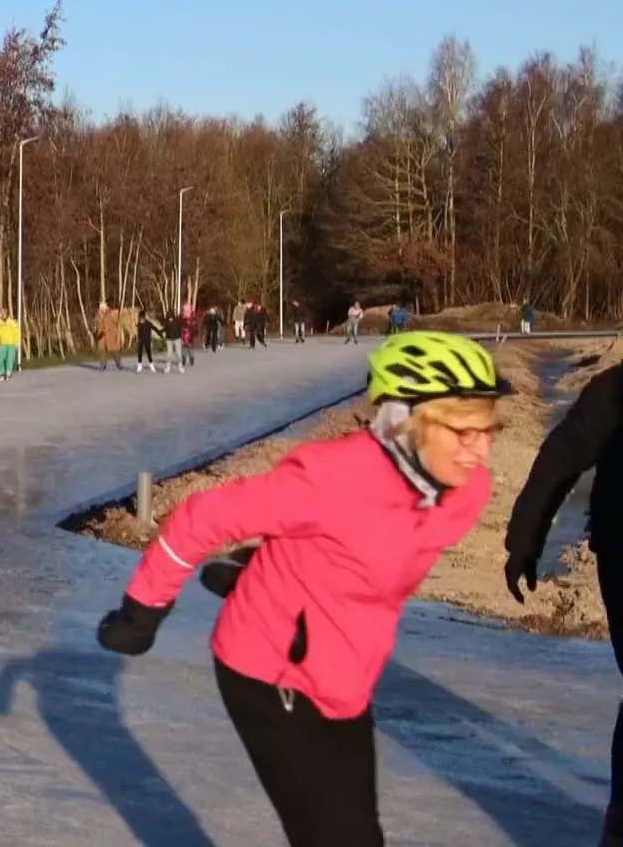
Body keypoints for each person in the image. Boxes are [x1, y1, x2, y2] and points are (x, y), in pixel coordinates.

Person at [97, 331, 509, 846]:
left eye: (488, 429)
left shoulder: (465, 494)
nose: (482, 449)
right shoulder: (332, 478)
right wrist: (143, 611)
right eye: (463, 431)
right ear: (406, 420)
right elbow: (201, 518)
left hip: (347, 677)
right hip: (270, 670)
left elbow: (366, 556)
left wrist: (273, 565)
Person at [504, 356, 623, 844]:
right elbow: (560, 459)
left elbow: (560, 459)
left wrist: (524, 543)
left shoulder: (614, 387)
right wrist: (524, 541)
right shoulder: (615, 391)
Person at [94, 301, 125, 371]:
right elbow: (96, 325)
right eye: (100, 308)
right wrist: (95, 331)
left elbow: (118, 317)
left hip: (110, 335)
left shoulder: (112, 313)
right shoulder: (97, 315)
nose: (101, 310)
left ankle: (119, 365)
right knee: (103, 352)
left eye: (103, 308)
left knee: (115, 352)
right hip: (102, 336)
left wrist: (119, 309)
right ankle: (102, 366)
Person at [0, 313, 21, 380]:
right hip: (2, 344)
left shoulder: (12, 322)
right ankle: (1, 374)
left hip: (11, 344)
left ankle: (8, 372)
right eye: (1, 313)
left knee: (10, 358)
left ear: (7, 314)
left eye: (4, 313)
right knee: (0, 359)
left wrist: (17, 343)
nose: (3, 314)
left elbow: (16, 332)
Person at [135, 309, 162, 373]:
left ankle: (151, 365)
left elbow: (155, 328)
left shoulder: (148, 324)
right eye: (139, 318)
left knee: (148, 353)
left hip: (147, 340)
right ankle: (139, 366)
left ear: (144, 318)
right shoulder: (139, 324)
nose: (140, 320)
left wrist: (160, 333)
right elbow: (138, 332)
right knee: (139, 353)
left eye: (141, 318)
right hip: (141, 340)